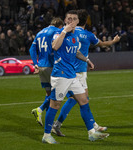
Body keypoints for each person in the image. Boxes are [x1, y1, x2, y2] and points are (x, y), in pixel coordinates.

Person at [42, 10, 109, 144]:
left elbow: (75, 51)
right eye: (68, 19)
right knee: (55, 105)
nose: (71, 21)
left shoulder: (75, 36)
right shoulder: (58, 33)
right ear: (65, 20)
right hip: (61, 76)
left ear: (78, 22)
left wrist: (86, 60)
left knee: (84, 100)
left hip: (72, 75)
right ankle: (46, 135)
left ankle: (91, 133)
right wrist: (64, 31)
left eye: (74, 19)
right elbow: (55, 46)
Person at [52, 9, 120, 137]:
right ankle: (58, 125)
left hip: (68, 68)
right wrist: (114, 41)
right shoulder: (88, 35)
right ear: (86, 21)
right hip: (79, 71)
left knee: (80, 99)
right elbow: (103, 44)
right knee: (77, 99)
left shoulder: (69, 31)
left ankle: (92, 125)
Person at [30, 17, 64, 126]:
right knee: (57, 94)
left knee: (49, 93)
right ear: (59, 25)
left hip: (41, 66)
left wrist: (35, 63)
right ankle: (39, 109)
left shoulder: (40, 32)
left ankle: (47, 121)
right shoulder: (56, 31)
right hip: (51, 65)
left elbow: (32, 49)